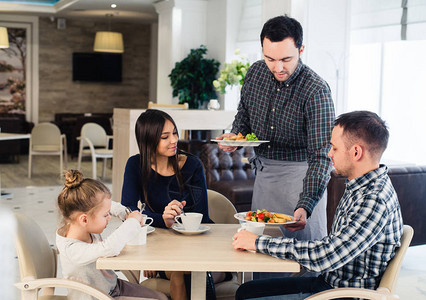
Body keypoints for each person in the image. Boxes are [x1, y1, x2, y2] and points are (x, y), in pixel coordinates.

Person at [232, 110, 404, 299]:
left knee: (247, 296)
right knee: (246, 291)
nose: (329, 153)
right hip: (329, 283)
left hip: (342, 294)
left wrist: (258, 242)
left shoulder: (373, 200)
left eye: (334, 148)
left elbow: (327, 255)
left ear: (356, 152)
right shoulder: (362, 184)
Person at [217, 15, 335, 243]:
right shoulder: (256, 73)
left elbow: (322, 157)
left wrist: (307, 203)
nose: (277, 67)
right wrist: (235, 136)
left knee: (302, 256)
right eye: (270, 58)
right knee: (260, 249)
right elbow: (244, 117)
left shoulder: (316, 90)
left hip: (302, 180)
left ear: (301, 49)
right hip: (265, 176)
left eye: (286, 59)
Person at [121, 109, 225, 300]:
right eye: (165, 136)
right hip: (163, 247)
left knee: (184, 271)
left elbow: (202, 215)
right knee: (180, 271)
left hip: (198, 243)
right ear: (148, 139)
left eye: (175, 133)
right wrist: (163, 220)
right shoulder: (135, 165)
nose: (174, 140)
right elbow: (128, 212)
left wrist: (176, 218)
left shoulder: (193, 165)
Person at [55, 169, 167, 300]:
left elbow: (108, 205)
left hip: (113, 287)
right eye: (105, 215)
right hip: (99, 297)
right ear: (84, 219)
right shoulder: (72, 249)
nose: (109, 217)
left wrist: (124, 213)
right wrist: (132, 222)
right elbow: (109, 248)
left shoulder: (79, 224)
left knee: (162, 298)